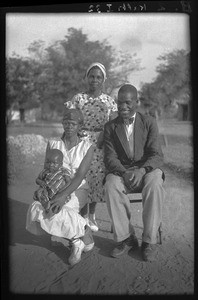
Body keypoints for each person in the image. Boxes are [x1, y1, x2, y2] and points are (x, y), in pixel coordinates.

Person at [103, 84, 165, 262]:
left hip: (146, 170)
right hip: (122, 171)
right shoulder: (110, 127)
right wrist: (123, 173)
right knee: (111, 183)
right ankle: (127, 238)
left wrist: (141, 170)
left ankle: (148, 241)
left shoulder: (149, 122)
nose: (123, 107)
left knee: (155, 182)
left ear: (137, 102)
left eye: (128, 102)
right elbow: (110, 158)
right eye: (120, 102)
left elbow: (156, 155)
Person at [26, 108, 95, 266]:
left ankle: (76, 242)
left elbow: (79, 177)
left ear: (80, 126)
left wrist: (63, 195)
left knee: (57, 211)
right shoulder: (53, 143)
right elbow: (46, 171)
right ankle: (82, 231)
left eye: (73, 123)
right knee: (36, 207)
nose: (69, 126)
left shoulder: (87, 147)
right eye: (66, 122)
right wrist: (42, 188)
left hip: (77, 190)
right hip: (51, 188)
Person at [64, 62, 117, 232]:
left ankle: (91, 214)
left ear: (104, 80)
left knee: (96, 177)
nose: (95, 79)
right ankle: (80, 214)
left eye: (98, 77)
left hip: (100, 142)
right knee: (80, 176)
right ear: (87, 78)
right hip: (81, 141)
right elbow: (71, 120)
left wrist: (103, 138)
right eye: (92, 76)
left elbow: (113, 124)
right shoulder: (78, 98)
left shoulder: (108, 101)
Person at [33, 149, 71, 214]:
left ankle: (53, 208)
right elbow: (37, 179)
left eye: (54, 163)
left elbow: (69, 182)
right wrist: (41, 182)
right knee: (39, 193)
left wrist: (62, 190)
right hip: (46, 192)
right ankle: (46, 205)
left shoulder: (63, 171)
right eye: (48, 162)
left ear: (60, 164)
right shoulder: (45, 171)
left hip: (58, 192)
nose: (51, 165)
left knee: (58, 202)